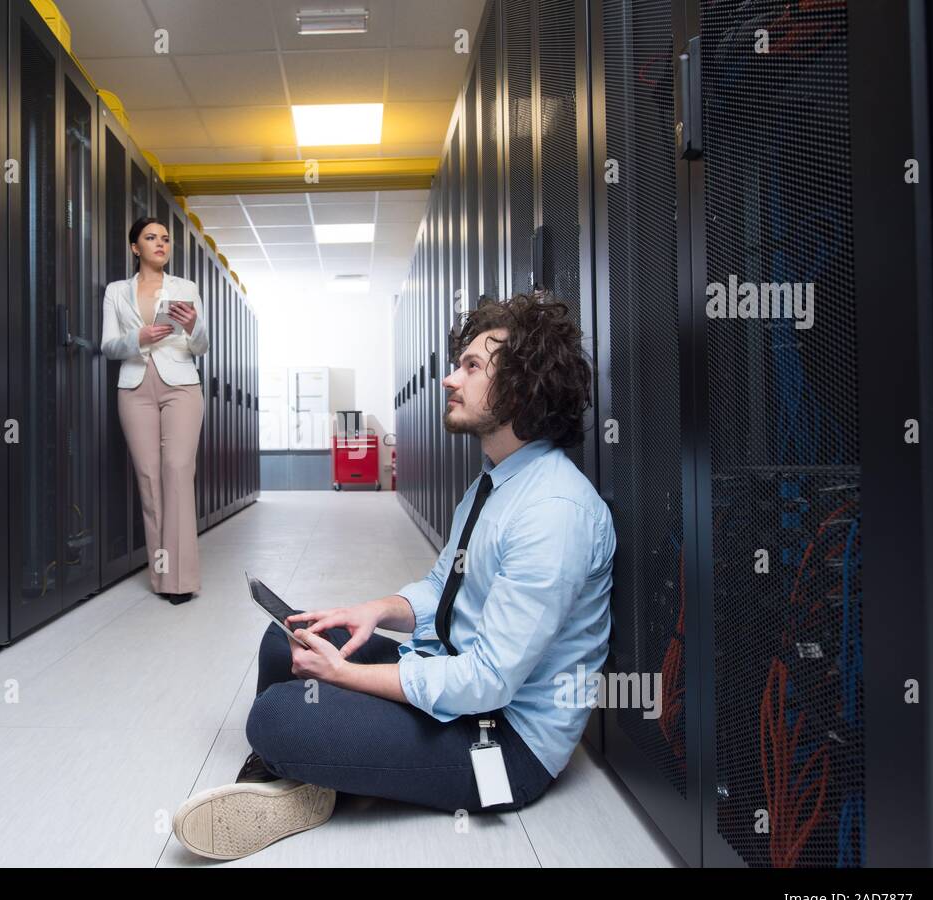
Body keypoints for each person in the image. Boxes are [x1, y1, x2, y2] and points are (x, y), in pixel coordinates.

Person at [172, 290, 616, 860]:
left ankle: (291, 765)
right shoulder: (496, 481)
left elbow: (487, 683)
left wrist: (345, 677)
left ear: (524, 388)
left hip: (500, 740)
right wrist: (371, 612)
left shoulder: (554, 511)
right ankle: (299, 775)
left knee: (278, 715)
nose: (450, 380)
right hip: (451, 677)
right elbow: (442, 590)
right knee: (288, 637)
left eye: (472, 367)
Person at [100, 216, 209, 604]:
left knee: (177, 472)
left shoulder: (186, 288)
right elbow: (108, 346)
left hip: (181, 384)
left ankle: (181, 580)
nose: (160, 244)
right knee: (149, 481)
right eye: (151, 238)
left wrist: (194, 326)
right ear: (135, 248)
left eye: (165, 238)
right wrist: (139, 337)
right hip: (134, 387)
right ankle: (162, 577)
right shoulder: (116, 292)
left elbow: (201, 347)